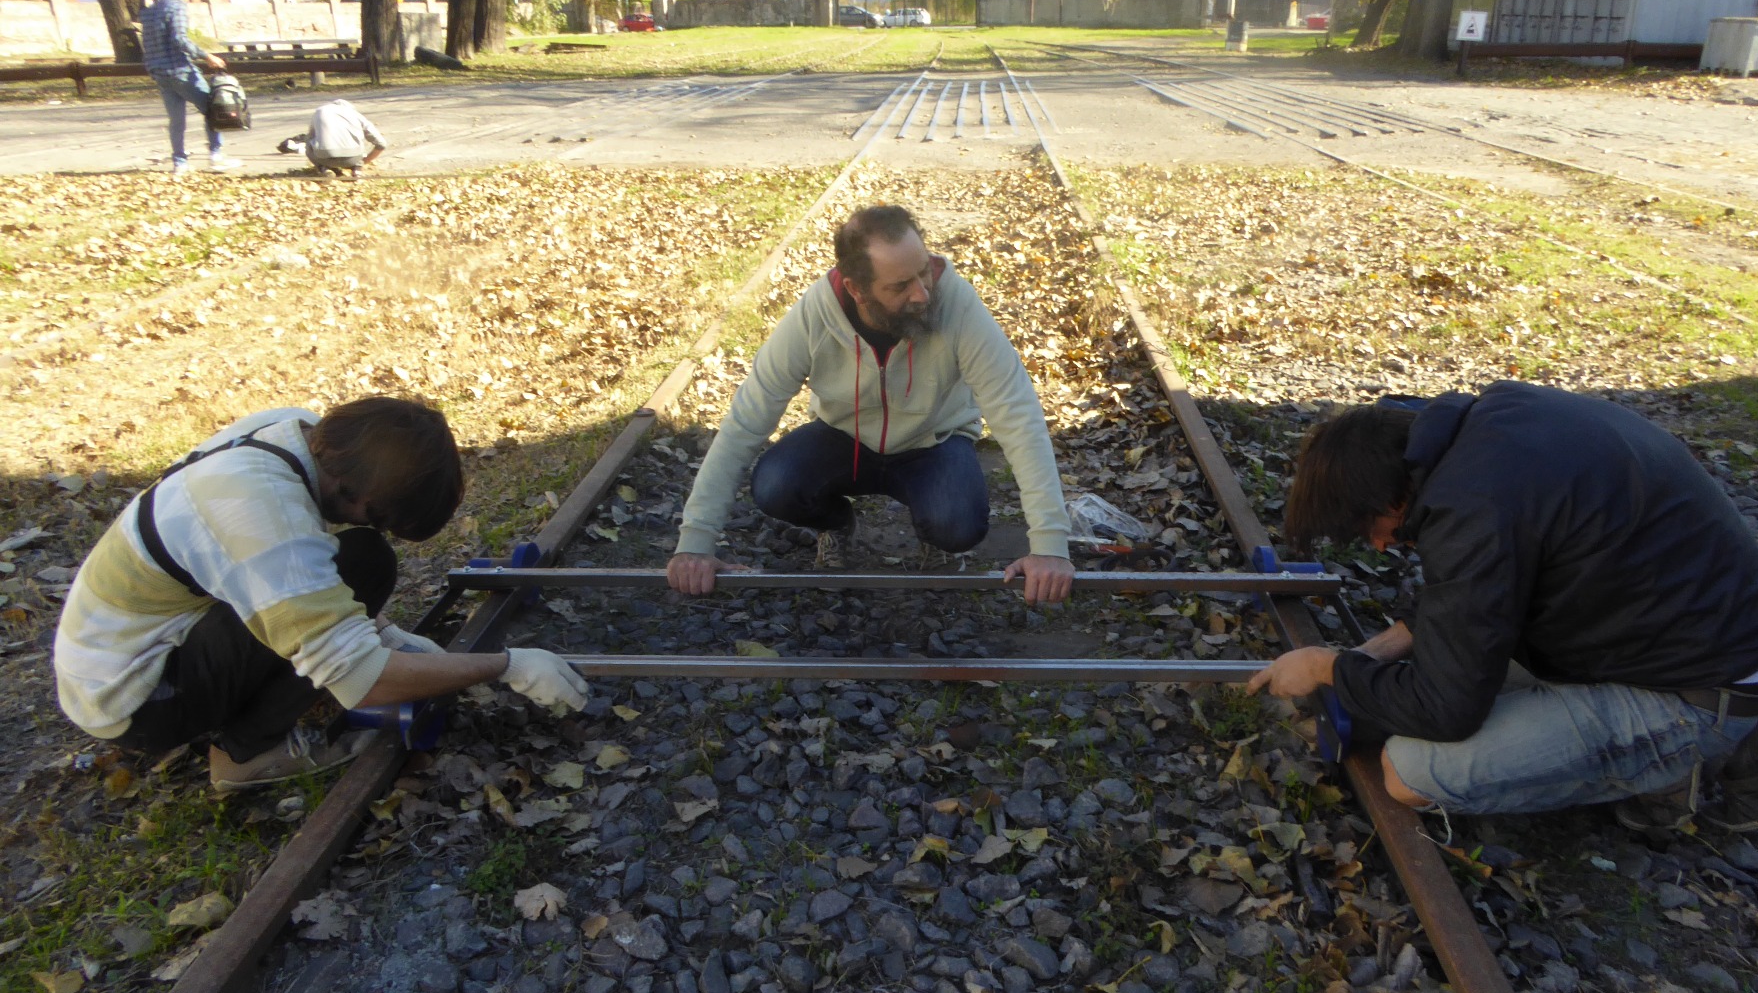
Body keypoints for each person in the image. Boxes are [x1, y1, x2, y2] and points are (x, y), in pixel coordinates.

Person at [1248, 381, 1758, 832]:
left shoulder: (1476, 511)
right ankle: (1713, 736)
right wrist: (1371, 653)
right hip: (1699, 633)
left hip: (1694, 691)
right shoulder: (1484, 430)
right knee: (1415, 683)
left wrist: (1327, 666)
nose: (1379, 545)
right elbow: (1476, 587)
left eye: (1372, 530)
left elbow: (1446, 710)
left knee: (1410, 771)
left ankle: (1681, 758)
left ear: (1391, 500)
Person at [54, 398, 590, 791]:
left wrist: (381, 633)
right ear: (349, 489)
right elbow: (362, 681)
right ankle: (243, 755)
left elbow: (271, 577)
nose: (376, 528)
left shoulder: (293, 433)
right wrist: (506, 665)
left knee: (360, 557)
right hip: (136, 698)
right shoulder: (265, 514)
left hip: (149, 636)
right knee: (364, 562)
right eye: (377, 517)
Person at [666, 204, 1076, 604]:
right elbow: (745, 422)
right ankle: (837, 523)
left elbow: (1017, 415)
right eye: (900, 286)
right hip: (843, 439)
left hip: (932, 442)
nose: (922, 293)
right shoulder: (815, 316)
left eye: (924, 272)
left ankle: (935, 540)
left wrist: (1050, 546)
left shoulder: (956, 303)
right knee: (776, 485)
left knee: (957, 524)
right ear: (857, 290)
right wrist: (695, 543)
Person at [139, 0, 241, 175]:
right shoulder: (176, 7)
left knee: (176, 120)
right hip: (180, 70)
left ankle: (180, 163)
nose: (188, 0)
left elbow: (147, 44)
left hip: (159, 72)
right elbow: (180, 39)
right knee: (213, 109)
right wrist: (207, 56)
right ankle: (216, 156)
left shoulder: (150, 12)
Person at [305, 98, 387, 178]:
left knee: (308, 141)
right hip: (352, 159)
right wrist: (364, 161)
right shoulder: (355, 114)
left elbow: (311, 136)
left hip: (324, 158)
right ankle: (357, 170)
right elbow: (381, 144)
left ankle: (324, 169)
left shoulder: (320, 111)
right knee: (359, 141)